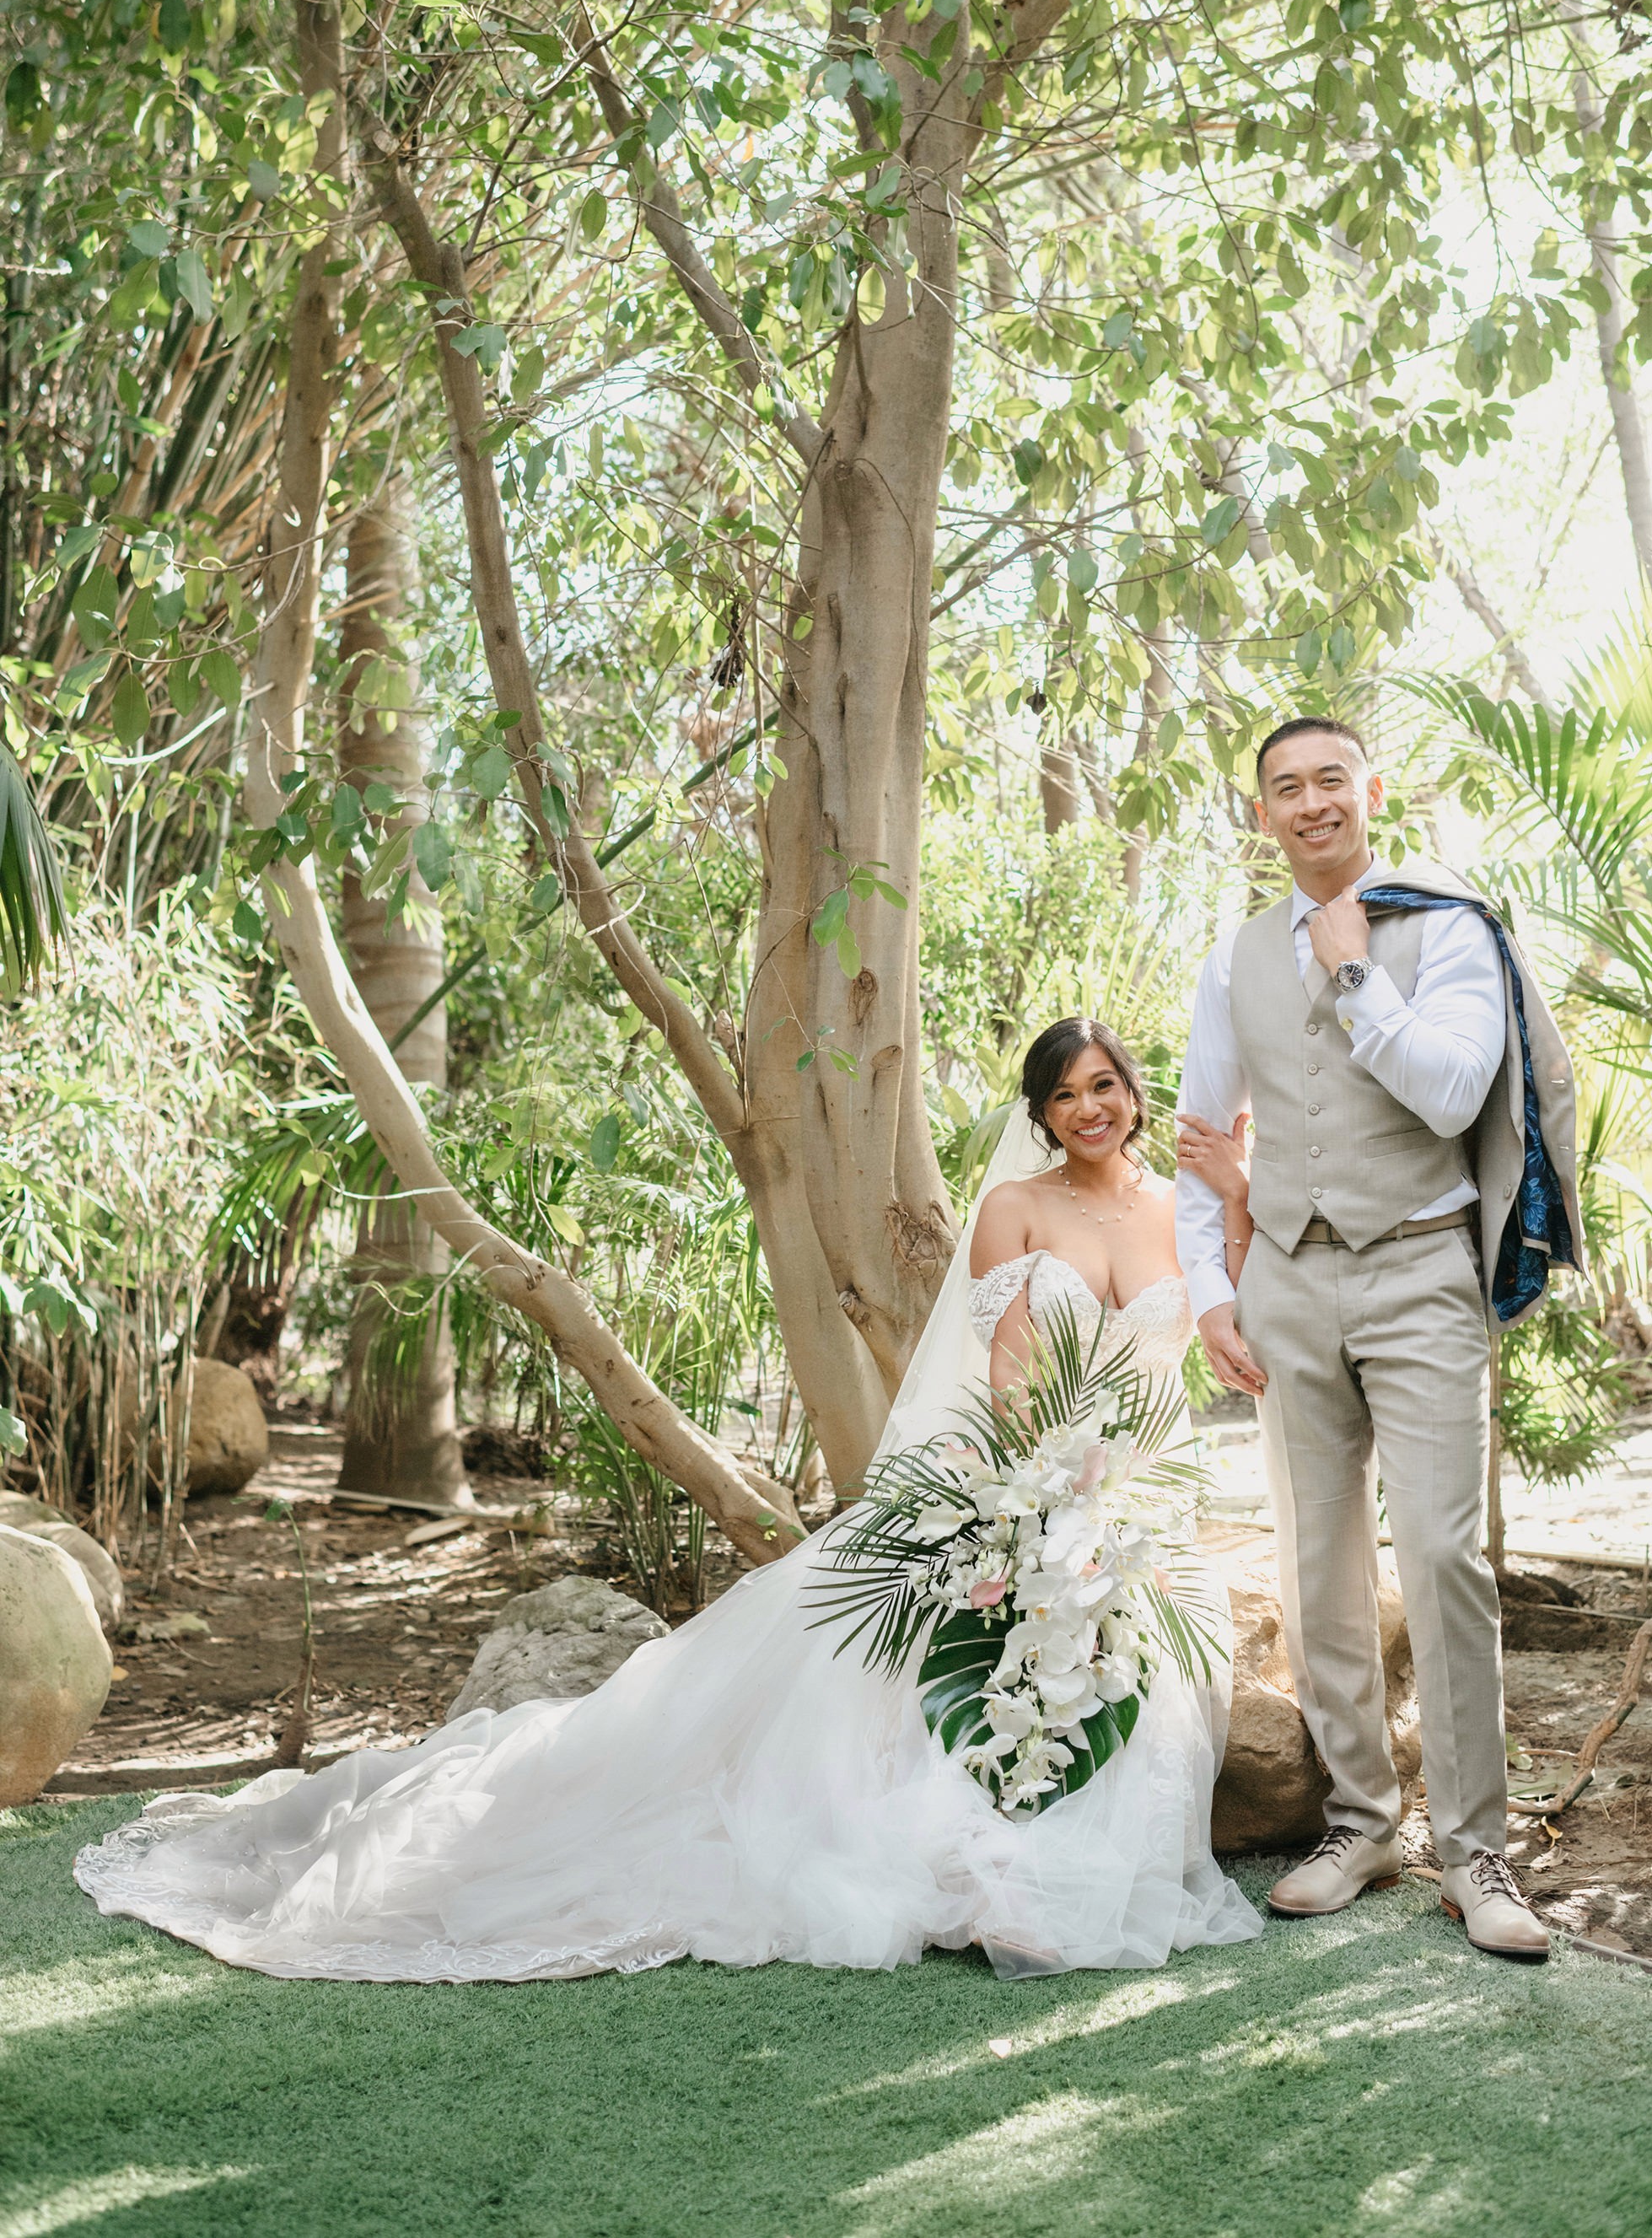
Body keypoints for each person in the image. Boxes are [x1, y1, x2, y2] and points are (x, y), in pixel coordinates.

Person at [77, 1020, 1262, 1983]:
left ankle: (1033, 1863)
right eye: (1066, 1095)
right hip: (1014, 1480)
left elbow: (1225, 1329)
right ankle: (985, 1866)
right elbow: (1010, 1369)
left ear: (1135, 1094)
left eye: (1106, 1085)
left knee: (1122, 1677)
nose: (1090, 1108)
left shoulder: (1179, 1212)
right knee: (956, 1660)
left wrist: (1233, 1214)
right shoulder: (1019, 1208)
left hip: (1132, 1501)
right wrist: (1035, 1500)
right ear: (1042, 1115)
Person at [1175, 716, 1581, 1963]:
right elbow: (1201, 1140)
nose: (1310, 805)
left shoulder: (1446, 925)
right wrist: (1211, 1289)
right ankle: (1362, 1822)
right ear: (1263, 816)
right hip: (1288, 1280)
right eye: (1285, 789)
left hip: (1417, 1273)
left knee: (1448, 1558)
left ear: (1371, 792)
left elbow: (1457, 1092)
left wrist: (1357, 971)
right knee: (1318, 1561)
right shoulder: (1239, 954)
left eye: (1330, 781)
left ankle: (1473, 1848)